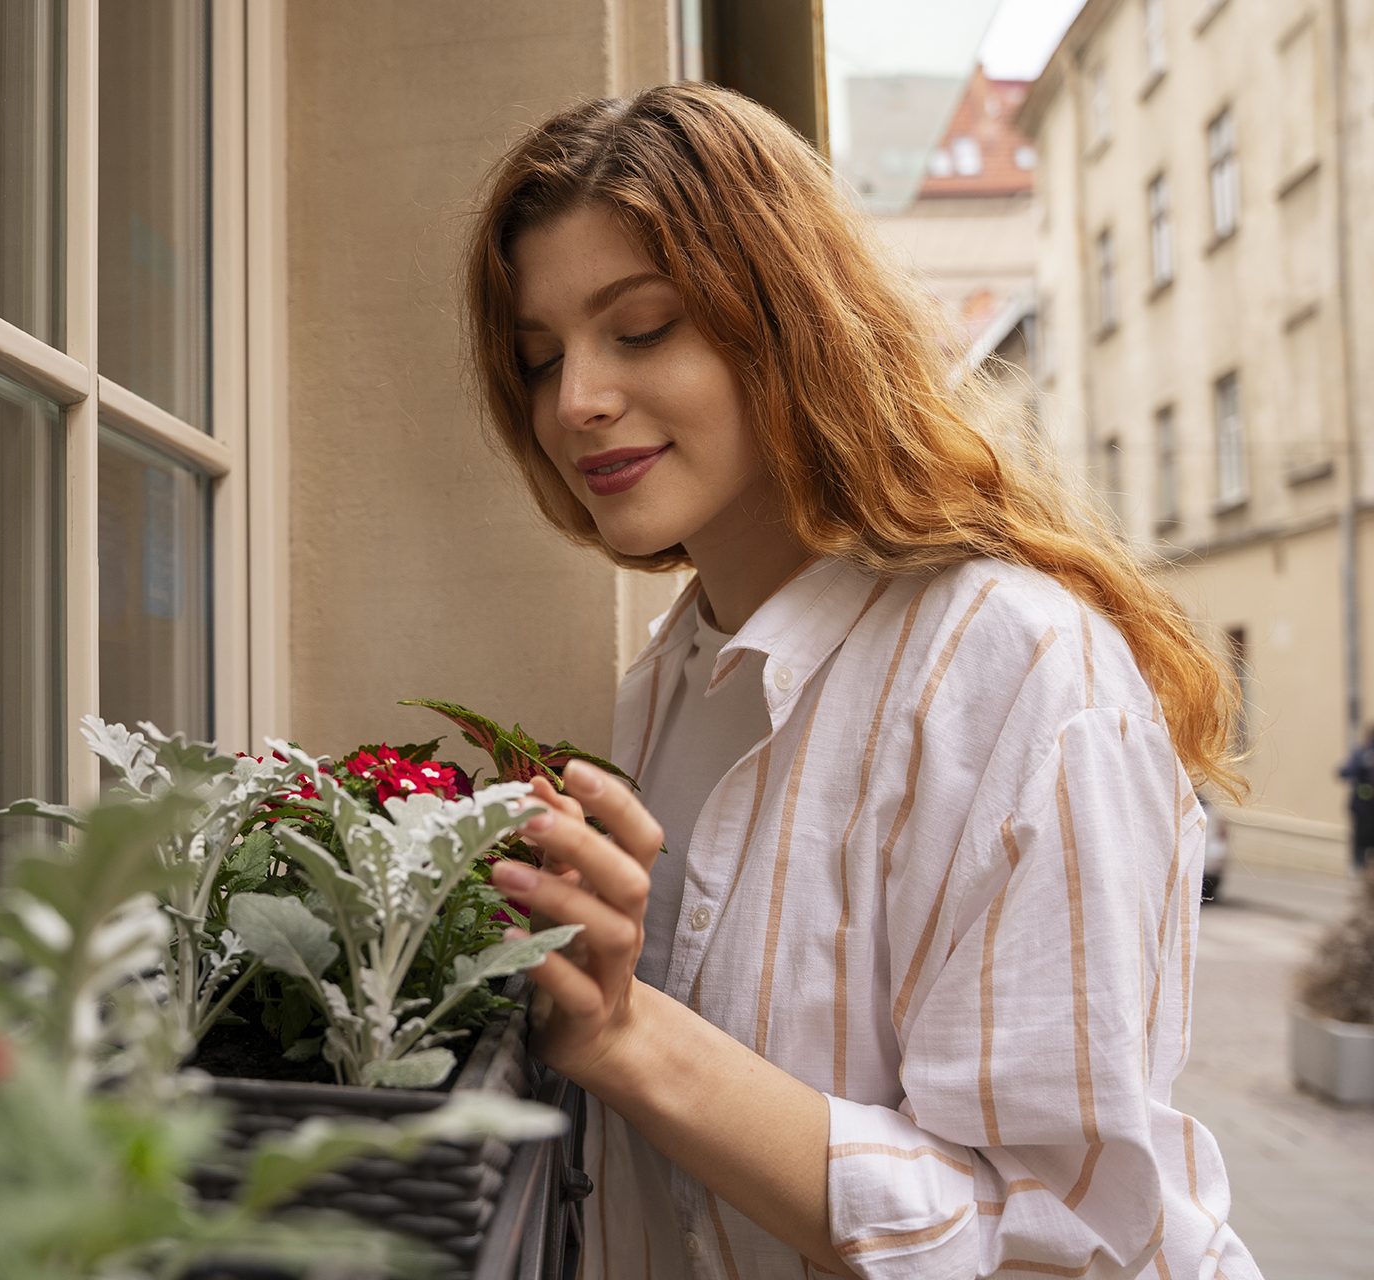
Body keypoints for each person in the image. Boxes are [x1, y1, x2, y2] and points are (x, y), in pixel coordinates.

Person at [469, 84, 1259, 1279]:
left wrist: (628, 1033)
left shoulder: (1024, 673)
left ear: (784, 320)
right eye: (540, 356)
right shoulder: (673, 674)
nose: (574, 398)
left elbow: (1061, 1245)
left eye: (640, 329)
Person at [1337, 724, 1374, 872]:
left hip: (1361, 808)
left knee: (1360, 846)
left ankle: (1361, 877)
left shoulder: (1361, 753)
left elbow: (1345, 772)